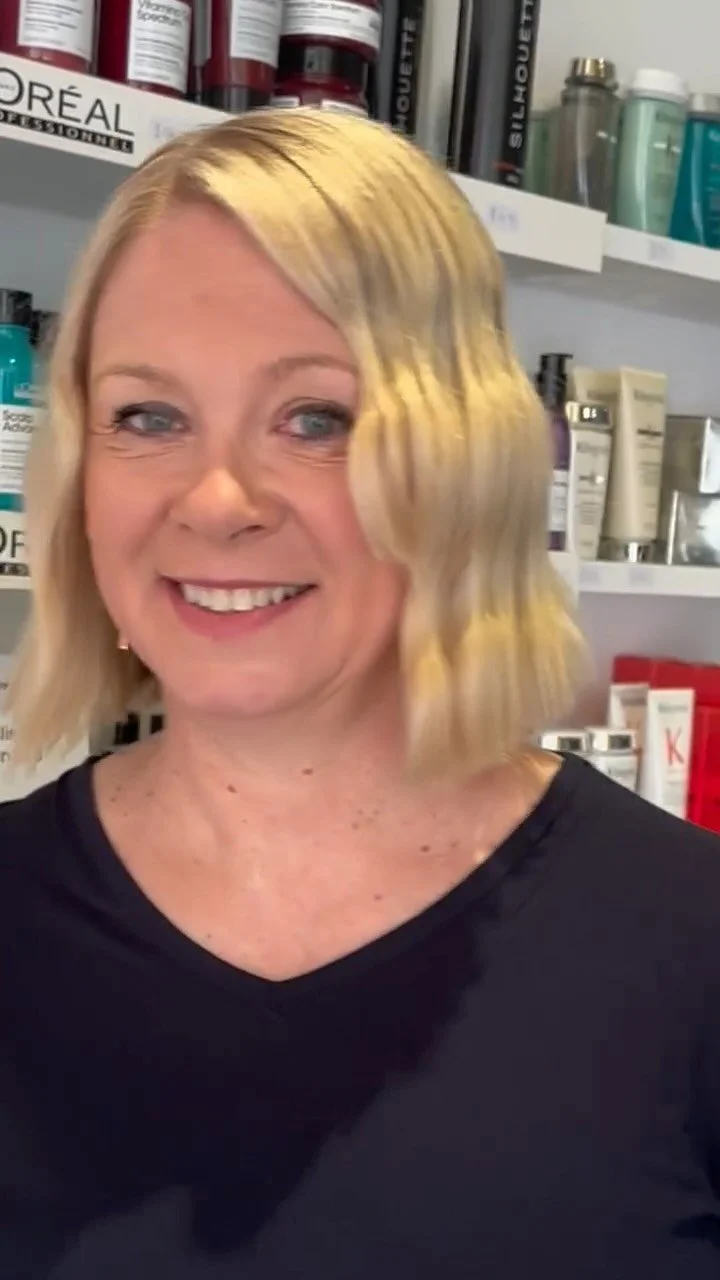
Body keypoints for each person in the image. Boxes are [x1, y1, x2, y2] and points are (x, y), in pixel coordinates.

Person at [0, 109, 719, 1280]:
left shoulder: (689, 949)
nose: (217, 499)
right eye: (148, 415)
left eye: (316, 418)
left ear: (464, 460)